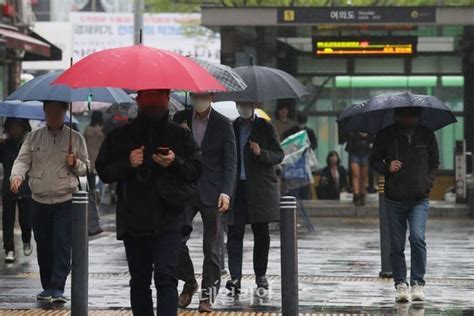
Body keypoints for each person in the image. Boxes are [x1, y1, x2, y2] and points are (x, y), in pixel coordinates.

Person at [95, 89, 202, 316]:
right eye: (149, 97)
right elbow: (104, 171)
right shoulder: (121, 135)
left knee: (166, 277)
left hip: (169, 217)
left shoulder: (180, 135)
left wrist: (175, 162)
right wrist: (128, 163)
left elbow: (196, 170)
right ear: (138, 99)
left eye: (159, 97)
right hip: (134, 218)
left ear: (167, 98)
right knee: (140, 280)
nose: (154, 102)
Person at [10, 101, 90, 304]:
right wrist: (16, 177)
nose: (53, 116)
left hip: (65, 199)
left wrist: (75, 163)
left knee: (62, 243)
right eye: (49, 112)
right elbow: (22, 161)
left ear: (64, 112)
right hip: (39, 199)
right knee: (44, 244)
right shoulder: (33, 137)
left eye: (58, 112)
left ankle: (58, 287)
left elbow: (86, 168)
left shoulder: (76, 138)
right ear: (44, 112)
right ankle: (47, 285)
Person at [173, 92, 237, 312]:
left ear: (211, 97)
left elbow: (231, 162)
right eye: (194, 95)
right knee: (175, 238)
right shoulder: (179, 118)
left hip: (213, 191)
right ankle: (189, 281)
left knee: (212, 247)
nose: (197, 99)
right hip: (186, 187)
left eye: (202, 95)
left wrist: (226, 192)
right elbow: (171, 153)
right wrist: (179, 136)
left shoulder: (223, 124)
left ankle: (207, 296)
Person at [370, 107, 439, 303]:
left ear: (418, 117)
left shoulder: (427, 134)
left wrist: (428, 183)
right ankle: (401, 284)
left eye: (412, 116)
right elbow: (374, 160)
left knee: (417, 238)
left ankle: (417, 283)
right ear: (397, 116)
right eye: (404, 116)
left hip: (419, 198)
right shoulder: (386, 135)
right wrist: (387, 167)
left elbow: (434, 162)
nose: (408, 119)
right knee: (396, 244)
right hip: (393, 199)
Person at [226, 101, 284, 295]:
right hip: (236, 188)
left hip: (259, 187)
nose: (243, 107)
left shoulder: (265, 127)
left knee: (261, 232)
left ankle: (261, 274)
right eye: (239, 104)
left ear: (253, 105)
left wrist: (262, 153)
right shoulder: (231, 127)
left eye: (246, 104)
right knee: (234, 232)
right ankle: (235, 277)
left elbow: (278, 154)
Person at [1, 118, 32, 263]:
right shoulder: (3, 145)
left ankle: (26, 239)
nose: (16, 129)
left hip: (25, 188)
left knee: (25, 219)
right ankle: (9, 249)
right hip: (8, 188)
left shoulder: (28, 145)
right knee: (8, 220)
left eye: (19, 126)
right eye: (13, 126)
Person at [84, 111, 105, 236]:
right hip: (101, 160)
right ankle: (99, 192)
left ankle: (94, 192)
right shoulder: (103, 130)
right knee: (101, 181)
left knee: (90, 189)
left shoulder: (87, 130)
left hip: (90, 162)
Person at [346, 132, 372, 206]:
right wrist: (357, 134)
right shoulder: (353, 126)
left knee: (364, 175)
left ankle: (362, 194)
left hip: (366, 152)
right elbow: (347, 137)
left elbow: (373, 140)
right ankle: (356, 194)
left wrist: (367, 135)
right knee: (355, 174)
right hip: (354, 152)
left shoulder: (369, 127)